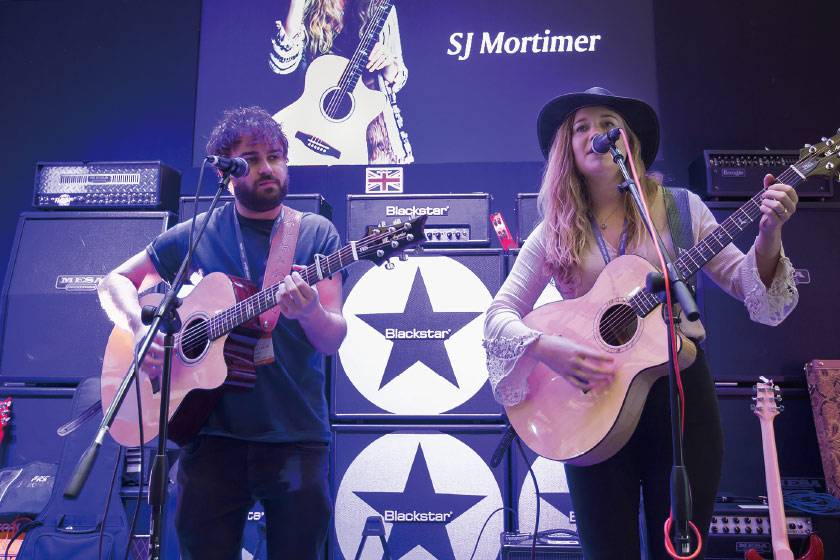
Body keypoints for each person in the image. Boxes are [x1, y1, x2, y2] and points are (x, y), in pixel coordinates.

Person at [483, 87, 799, 559]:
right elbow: (498, 318)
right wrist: (548, 348)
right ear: (567, 148)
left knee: (681, 549)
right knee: (606, 549)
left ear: (627, 141)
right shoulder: (555, 230)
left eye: (607, 124)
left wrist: (769, 234)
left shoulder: (680, 208)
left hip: (681, 396)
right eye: (581, 127)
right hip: (592, 402)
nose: (595, 134)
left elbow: (749, 286)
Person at [97, 106, 347, 559]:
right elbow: (115, 282)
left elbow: (331, 338)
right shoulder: (197, 233)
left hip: (294, 435)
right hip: (209, 436)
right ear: (224, 171)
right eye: (251, 159)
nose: (267, 168)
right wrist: (139, 327)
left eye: (275, 156)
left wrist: (310, 311)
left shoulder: (315, 234)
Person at [269, 0, 412, 163]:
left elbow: (398, 79)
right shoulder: (306, 5)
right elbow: (282, 65)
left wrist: (388, 63)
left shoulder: (380, 6)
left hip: (370, 135)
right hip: (308, 129)